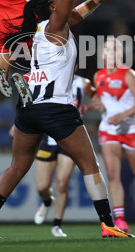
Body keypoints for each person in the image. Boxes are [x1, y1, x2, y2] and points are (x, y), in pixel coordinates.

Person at [0, 0, 134, 239]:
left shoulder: (37, 32)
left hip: (29, 110)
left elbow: (78, 11)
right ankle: (107, 224)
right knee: (89, 164)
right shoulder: (54, 27)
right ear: (51, 7)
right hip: (57, 108)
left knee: (17, 166)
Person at [89, 38, 135, 233]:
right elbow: (104, 100)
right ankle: (120, 220)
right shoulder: (98, 76)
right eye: (108, 50)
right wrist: (96, 104)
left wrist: (122, 115)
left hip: (132, 130)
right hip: (109, 130)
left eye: (115, 50)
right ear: (102, 55)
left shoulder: (129, 75)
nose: (111, 54)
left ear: (120, 54)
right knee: (112, 175)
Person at [33, 67, 96, 237]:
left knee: (61, 183)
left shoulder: (83, 83)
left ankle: (56, 225)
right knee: (42, 187)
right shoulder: (46, 78)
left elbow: (99, 100)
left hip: (70, 137)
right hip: (48, 138)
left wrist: (87, 107)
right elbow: (32, 103)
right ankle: (47, 201)